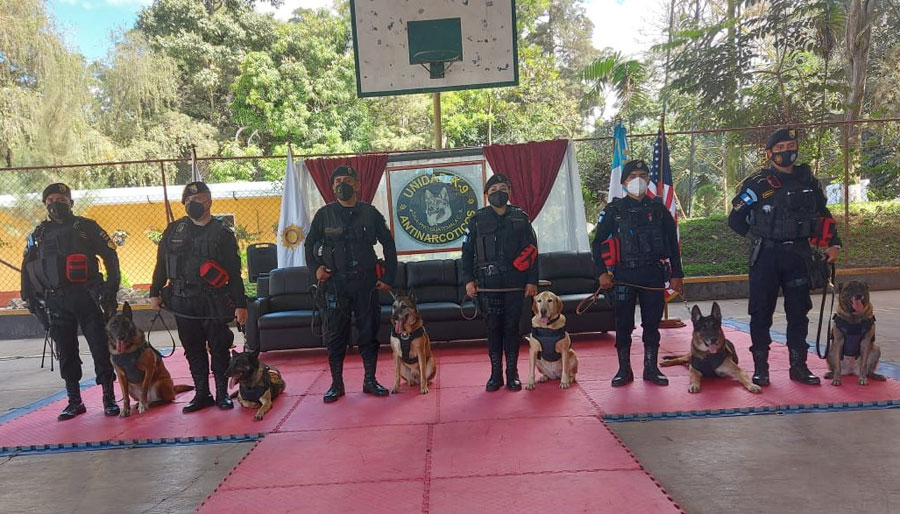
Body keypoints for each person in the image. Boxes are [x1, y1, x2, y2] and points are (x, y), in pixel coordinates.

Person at [728, 128, 841, 386]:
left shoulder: (808, 181)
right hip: (766, 257)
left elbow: (823, 214)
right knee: (761, 313)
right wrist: (759, 235)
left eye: (791, 145)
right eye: (780, 148)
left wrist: (834, 243)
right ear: (769, 153)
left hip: (798, 256)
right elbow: (735, 219)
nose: (786, 151)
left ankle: (799, 366)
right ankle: (761, 369)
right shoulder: (758, 184)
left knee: (799, 313)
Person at [21, 183, 121, 420]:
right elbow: (27, 267)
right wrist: (30, 299)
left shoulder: (86, 228)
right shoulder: (39, 234)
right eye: (51, 200)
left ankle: (109, 398)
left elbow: (110, 256)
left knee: (99, 347)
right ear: (45, 204)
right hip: (55, 299)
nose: (56, 204)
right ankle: (74, 401)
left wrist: (110, 289)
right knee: (65, 351)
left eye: (61, 199)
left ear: (71, 203)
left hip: (86, 295)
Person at [149, 182, 248, 412]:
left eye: (201, 199)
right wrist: (154, 292)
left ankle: (222, 393)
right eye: (190, 200)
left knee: (219, 347)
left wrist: (240, 305)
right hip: (182, 299)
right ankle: (202, 393)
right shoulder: (173, 231)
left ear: (210, 201)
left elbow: (234, 272)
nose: (195, 203)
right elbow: (160, 264)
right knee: (192, 348)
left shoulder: (222, 233)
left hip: (213, 300)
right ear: (184, 203)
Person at [305, 165, 397, 403]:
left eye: (346, 180)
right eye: (337, 181)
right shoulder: (324, 214)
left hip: (365, 283)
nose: (341, 185)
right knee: (335, 335)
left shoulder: (370, 213)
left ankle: (370, 380)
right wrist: (316, 268)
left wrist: (389, 277)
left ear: (357, 184)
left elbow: (388, 244)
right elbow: (309, 245)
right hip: (335, 284)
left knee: (369, 332)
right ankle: (337, 384)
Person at [591, 160, 684, 387]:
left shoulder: (659, 209)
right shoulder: (613, 211)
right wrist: (601, 273)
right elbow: (596, 244)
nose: (638, 179)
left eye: (643, 175)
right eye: (633, 176)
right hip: (623, 275)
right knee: (623, 324)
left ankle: (651, 368)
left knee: (652, 324)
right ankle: (624, 369)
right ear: (624, 182)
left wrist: (677, 274)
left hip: (652, 274)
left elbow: (673, 244)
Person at [461, 174, 539, 392]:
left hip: (516, 284)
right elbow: (466, 254)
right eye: (493, 189)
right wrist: (468, 280)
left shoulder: (521, 218)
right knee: (493, 329)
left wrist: (532, 281)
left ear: (509, 192)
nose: (498, 192)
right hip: (487, 284)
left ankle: (512, 374)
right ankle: (495, 375)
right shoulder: (476, 220)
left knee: (512, 329)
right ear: (487, 195)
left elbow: (533, 252)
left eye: (502, 188)